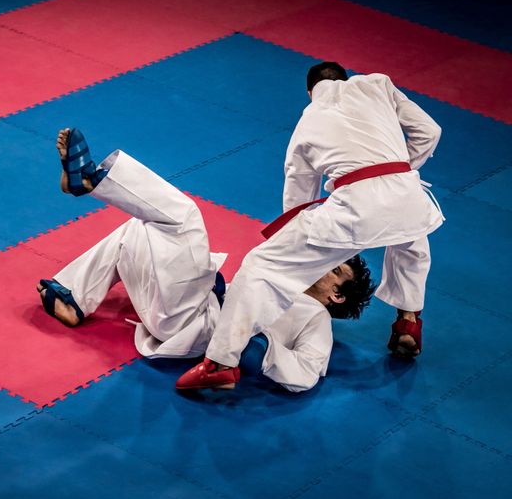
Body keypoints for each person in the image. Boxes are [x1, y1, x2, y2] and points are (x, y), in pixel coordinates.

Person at [38, 128, 375, 392]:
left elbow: (308, 371)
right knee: (140, 227)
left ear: (337, 295)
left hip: (197, 327)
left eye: (336, 268)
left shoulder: (315, 317)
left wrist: (258, 350)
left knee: (183, 217)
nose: (325, 261)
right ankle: (70, 297)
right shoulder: (281, 275)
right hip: (186, 309)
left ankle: (91, 179)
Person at [176, 62, 443, 391]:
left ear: (309, 90)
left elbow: (298, 197)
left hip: (356, 207)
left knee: (261, 266)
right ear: (343, 79)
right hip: (409, 192)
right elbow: (430, 132)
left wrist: (293, 235)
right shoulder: (378, 84)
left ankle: (221, 362)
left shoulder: (308, 121)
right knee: (410, 243)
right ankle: (409, 322)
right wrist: (399, 171)